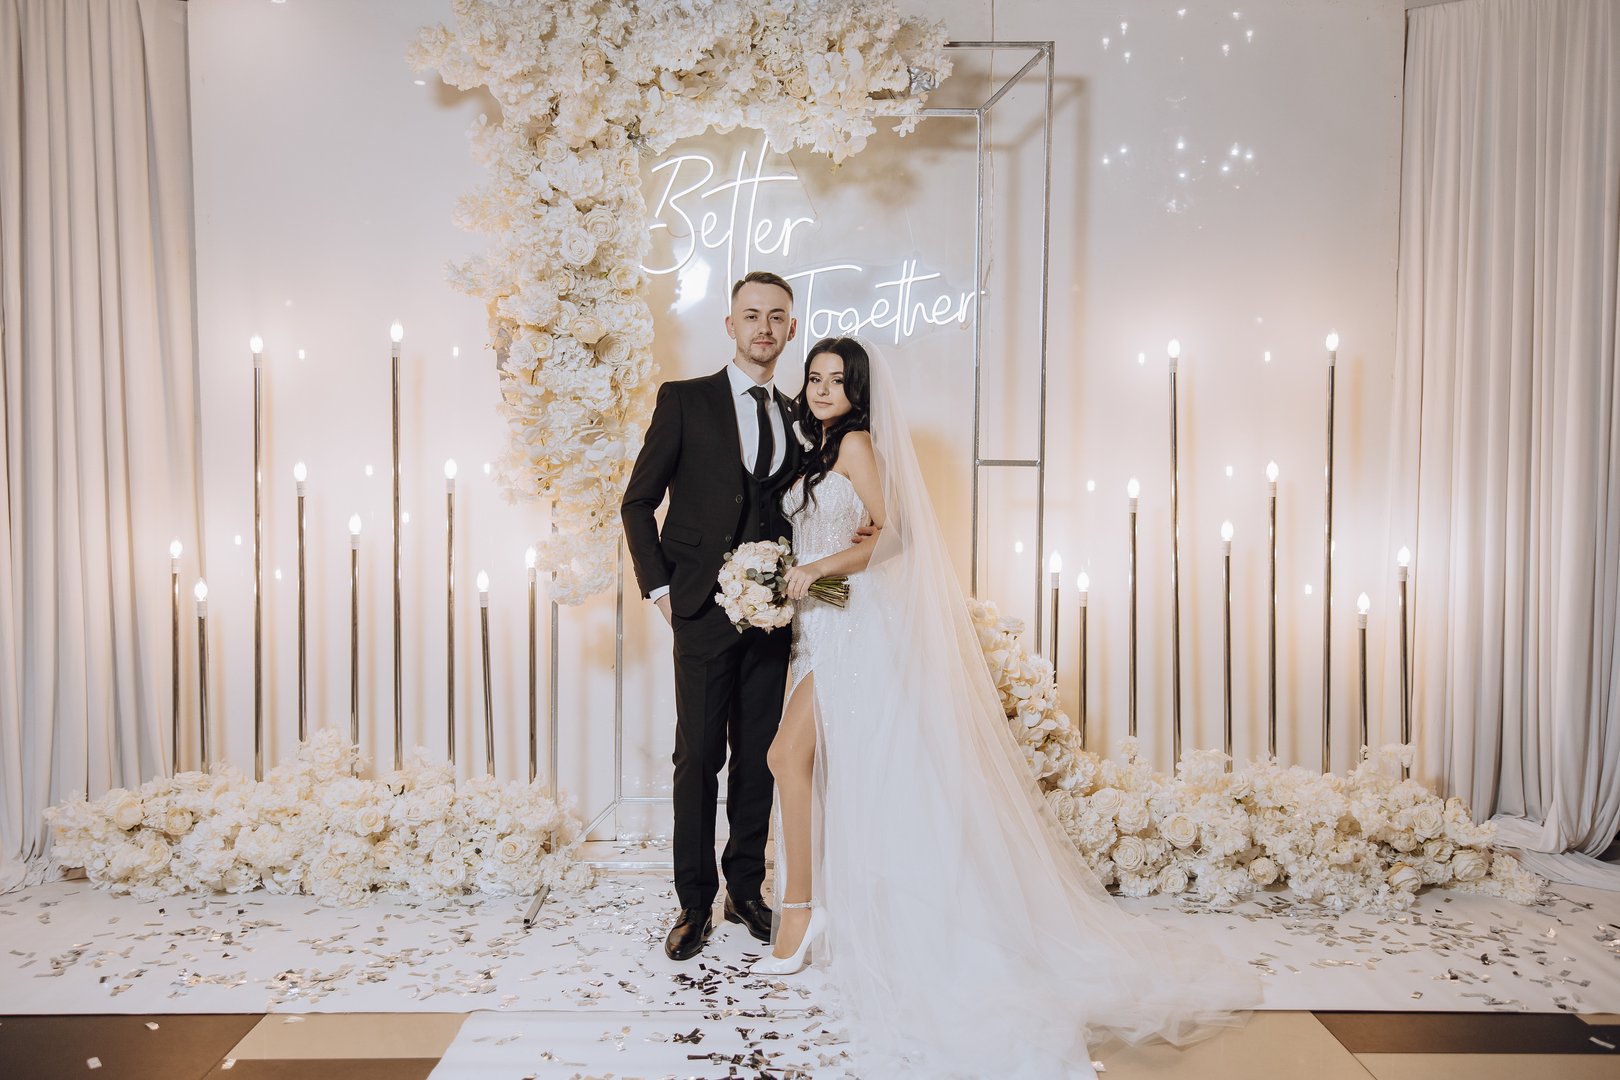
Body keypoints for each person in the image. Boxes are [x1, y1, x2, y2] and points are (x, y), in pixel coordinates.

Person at [759, 336, 1259, 1078]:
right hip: (823, 628)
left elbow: (896, 534)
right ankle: (817, 904)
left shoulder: (857, 443)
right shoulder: (815, 450)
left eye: (837, 379)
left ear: (858, 391)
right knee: (830, 767)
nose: (824, 387)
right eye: (815, 377)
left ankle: (800, 911)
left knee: (787, 757)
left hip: (856, 631)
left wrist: (818, 566)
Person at [620, 271, 803, 961]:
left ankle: (745, 890)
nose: (763, 326)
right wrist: (662, 593)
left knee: (760, 759)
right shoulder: (685, 401)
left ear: (790, 329)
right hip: (698, 609)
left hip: (774, 617)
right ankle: (693, 904)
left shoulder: (797, 415)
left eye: (777, 316)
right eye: (751, 314)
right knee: (699, 758)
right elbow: (637, 503)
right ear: (729, 326)